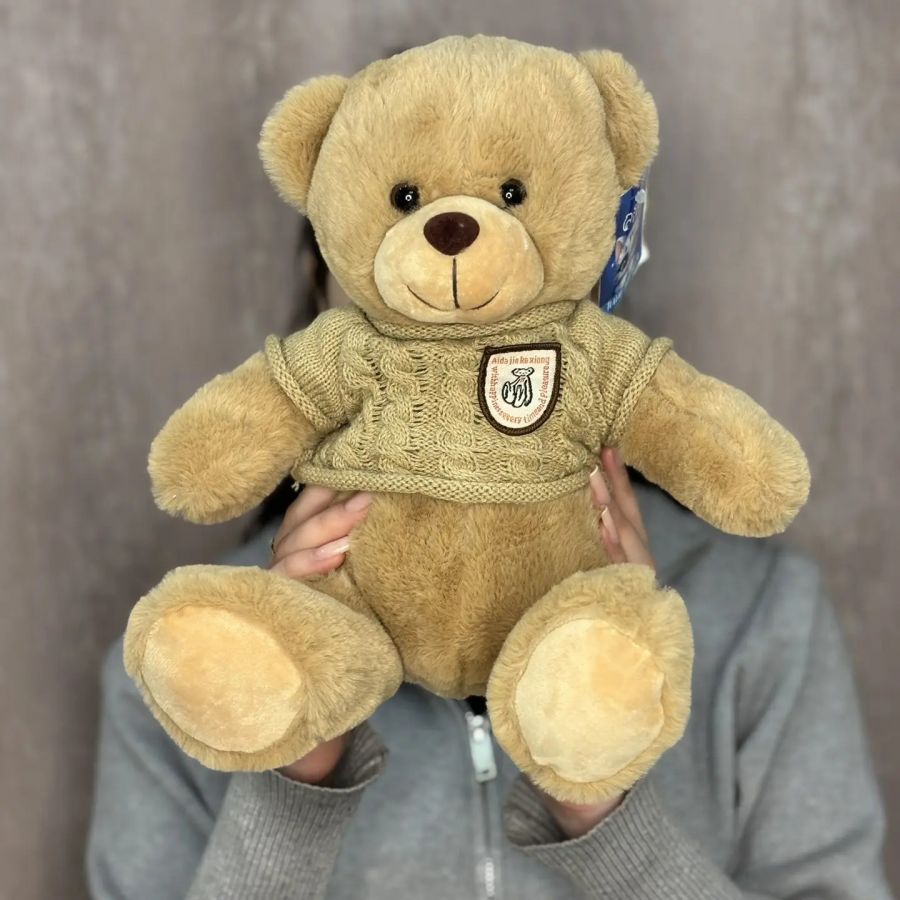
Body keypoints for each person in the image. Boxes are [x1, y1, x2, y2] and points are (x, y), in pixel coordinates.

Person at [85, 230, 894, 899]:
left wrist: (600, 794)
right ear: (318, 290)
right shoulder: (182, 664)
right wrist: (290, 768)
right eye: (395, 224)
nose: (452, 321)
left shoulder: (763, 620)